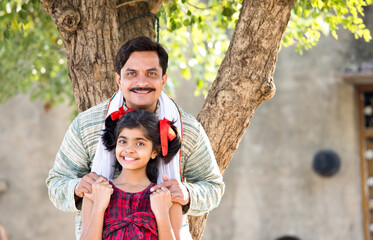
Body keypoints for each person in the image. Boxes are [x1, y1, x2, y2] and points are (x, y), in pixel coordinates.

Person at [46, 36, 224, 239]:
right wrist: (78, 188)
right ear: (119, 79)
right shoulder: (87, 125)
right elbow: (56, 182)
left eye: (151, 74)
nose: (142, 82)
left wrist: (186, 193)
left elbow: (213, 187)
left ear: (163, 79)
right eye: (132, 74)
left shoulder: (187, 129)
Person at [80, 110, 182, 240]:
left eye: (140, 143)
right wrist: (99, 207)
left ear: (154, 152)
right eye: (123, 141)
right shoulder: (96, 192)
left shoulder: (166, 197)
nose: (129, 149)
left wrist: (162, 214)